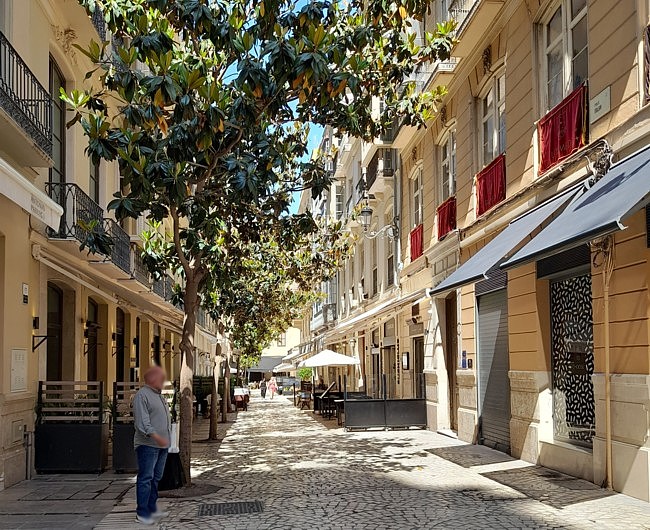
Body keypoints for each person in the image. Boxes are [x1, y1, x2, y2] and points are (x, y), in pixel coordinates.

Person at [133, 366, 171, 525]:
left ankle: (151, 508)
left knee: (156, 478)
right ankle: (142, 513)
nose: (163, 381)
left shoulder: (159, 396)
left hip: (162, 446)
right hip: (148, 445)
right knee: (146, 478)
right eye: (161, 378)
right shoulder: (142, 395)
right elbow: (142, 423)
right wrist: (156, 437)